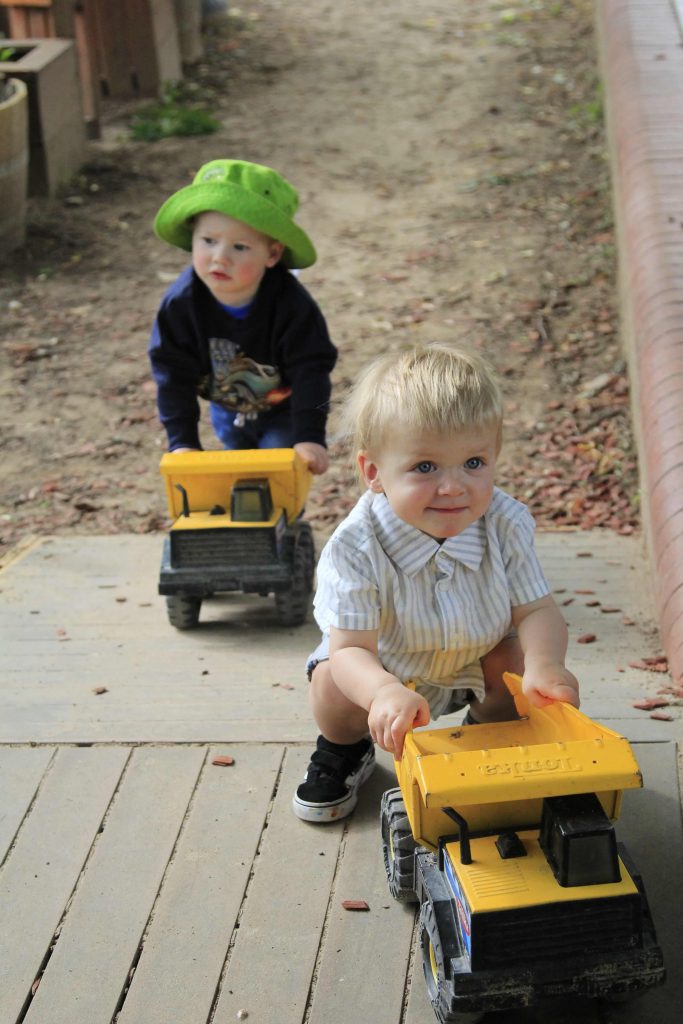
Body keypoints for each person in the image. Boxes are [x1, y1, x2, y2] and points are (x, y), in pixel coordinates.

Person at [292, 343, 580, 823]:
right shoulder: (355, 546)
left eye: (473, 463)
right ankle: (345, 750)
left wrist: (546, 663)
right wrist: (382, 691)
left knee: (516, 665)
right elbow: (350, 651)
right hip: (387, 666)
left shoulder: (504, 522)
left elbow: (536, 610)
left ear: (494, 455)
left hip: (476, 656)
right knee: (331, 684)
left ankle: (485, 734)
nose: (453, 486)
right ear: (374, 472)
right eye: (425, 467)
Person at [149, 158, 337, 474]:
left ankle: (283, 523)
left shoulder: (291, 306)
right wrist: (182, 442)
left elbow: (311, 368)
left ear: (273, 254)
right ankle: (249, 523)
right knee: (240, 471)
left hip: (284, 407)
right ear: (193, 235)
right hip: (227, 406)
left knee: (275, 474)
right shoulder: (180, 306)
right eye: (208, 241)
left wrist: (309, 436)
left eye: (239, 246)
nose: (220, 258)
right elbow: (172, 373)